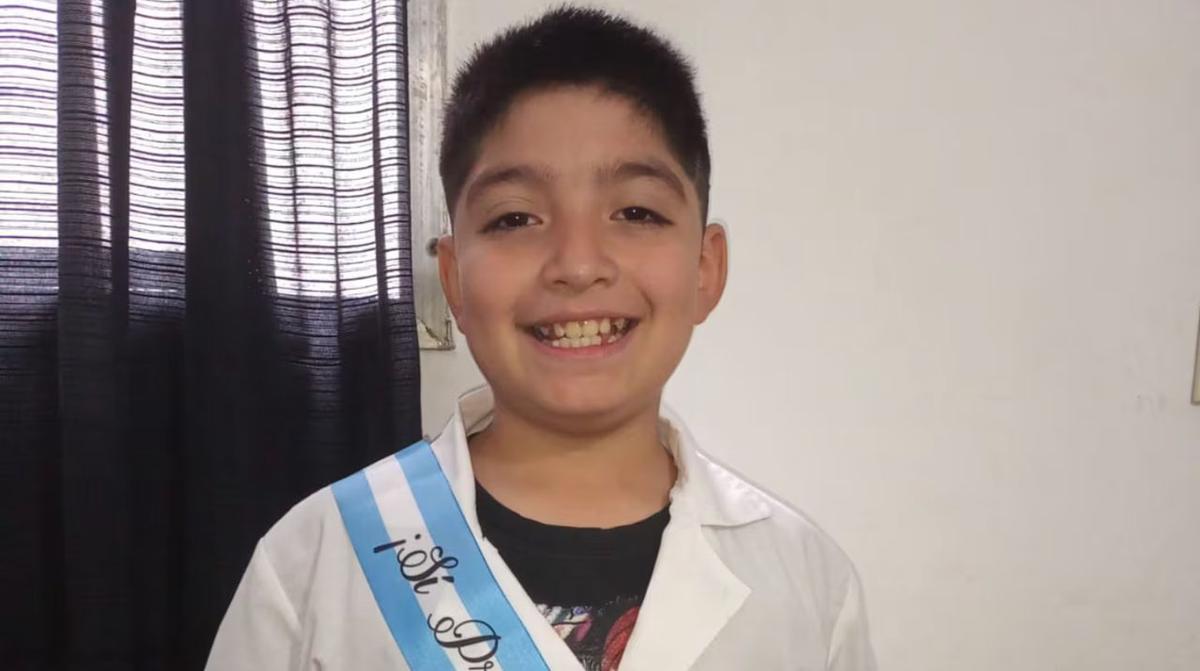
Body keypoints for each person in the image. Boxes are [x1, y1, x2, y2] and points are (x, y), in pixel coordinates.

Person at [207, 6, 877, 670]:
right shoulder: (316, 565)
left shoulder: (808, 585)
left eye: (635, 212)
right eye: (515, 219)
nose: (578, 265)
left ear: (706, 269)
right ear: (454, 280)